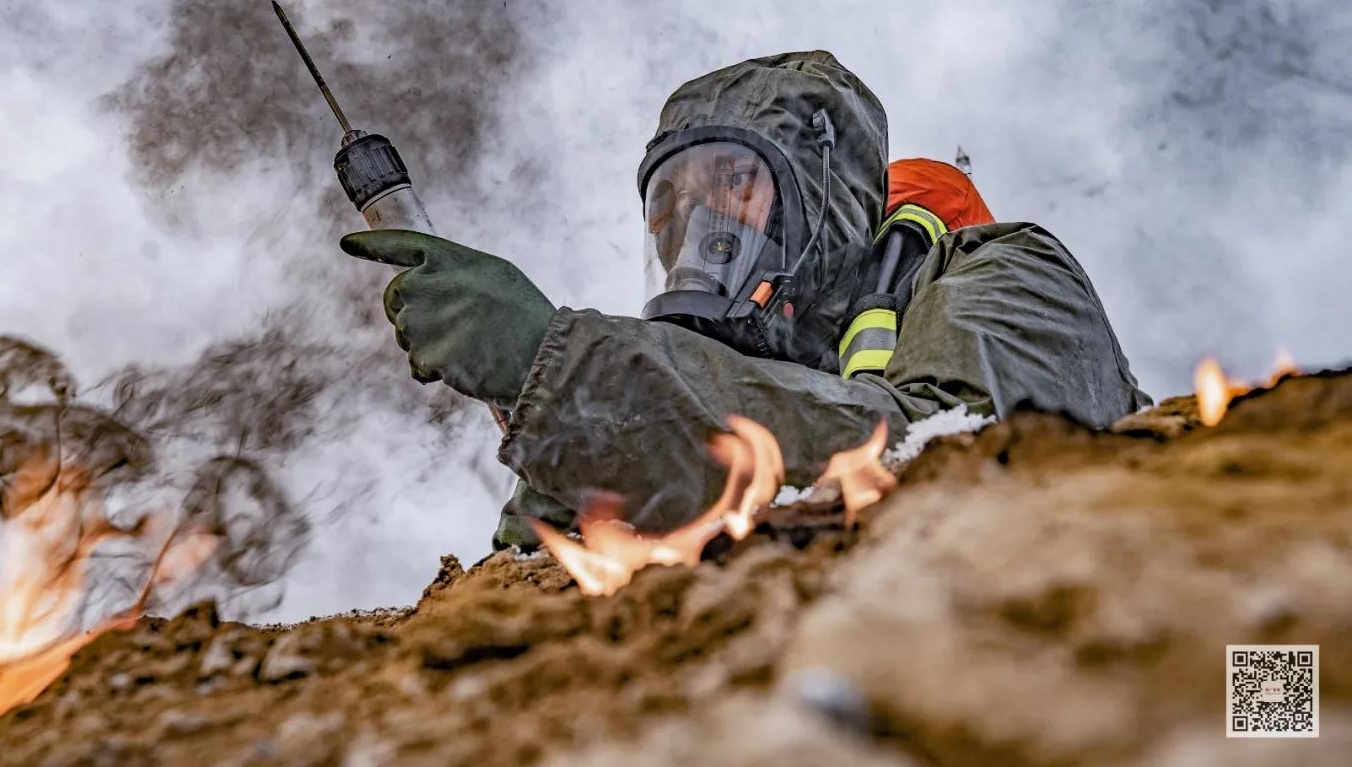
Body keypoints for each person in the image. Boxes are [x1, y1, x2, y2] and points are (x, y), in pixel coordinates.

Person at [341, 52, 1150, 549]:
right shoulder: (716, 395)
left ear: (819, 198)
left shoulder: (1012, 273)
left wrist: (568, 372)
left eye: (733, 184)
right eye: (674, 207)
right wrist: (581, 479)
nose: (701, 230)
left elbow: (954, 457)